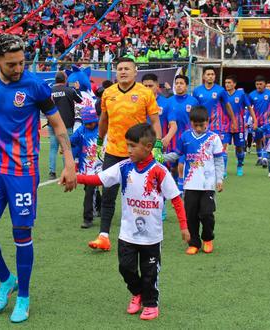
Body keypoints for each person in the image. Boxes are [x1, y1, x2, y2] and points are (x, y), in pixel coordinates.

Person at [0, 34, 77, 323]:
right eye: (12, 64)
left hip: (23, 171)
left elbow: (57, 122)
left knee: (21, 234)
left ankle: (23, 296)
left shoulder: (35, 85)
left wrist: (69, 160)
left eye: (22, 62)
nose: (18, 69)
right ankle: (6, 279)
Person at [76, 123, 190, 321]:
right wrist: (76, 177)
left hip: (152, 237)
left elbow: (176, 200)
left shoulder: (159, 171)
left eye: (132, 146)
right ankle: (137, 293)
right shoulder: (124, 167)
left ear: (147, 147)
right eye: (127, 145)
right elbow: (99, 179)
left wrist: (184, 227)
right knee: (125, 268)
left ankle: (151, 303)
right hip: (127, 234)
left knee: (150, 273)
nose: (128, 150)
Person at [89, 57, 162, 252]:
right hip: (113, 151)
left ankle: (146, 232)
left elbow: (155, 122)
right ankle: (103, 235)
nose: (123, 72)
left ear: (135, 71)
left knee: (141, 194)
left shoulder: (145, 93)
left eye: (127, 69)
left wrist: (157, 146)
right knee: (108, 194)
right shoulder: (108, 93)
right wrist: (99, 141)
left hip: (138, 153)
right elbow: (104, 120)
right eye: (119, 69)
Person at [164, 106, 224, 255]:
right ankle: (194, 243)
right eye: (195, 125)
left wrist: (219, 179)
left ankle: (208, 238)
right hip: (190, 185)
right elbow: (176, 155)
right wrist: (160, 158)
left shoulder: (213, 138)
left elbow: (218, 161)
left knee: (206, 214)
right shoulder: (185, 137)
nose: (198, 128)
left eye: (201, 125)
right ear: (190, 123)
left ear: (207, 122)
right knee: (190, 215)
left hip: (208, 185)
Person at [193, 66, 236, 175]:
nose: (210, 76)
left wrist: (233, 120)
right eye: (208, 74)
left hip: (218, 125)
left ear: (215, 76)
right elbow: (195, 108)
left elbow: (227, 105)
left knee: (220, 149)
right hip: (202, 125)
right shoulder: (197, 91)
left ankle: (221, 172)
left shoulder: (220, 90)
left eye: (212, 74)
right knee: (202, 148)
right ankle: (203, 169)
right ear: (203, 77)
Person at [70, 106, 102, 229]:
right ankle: (97, 209)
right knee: (89, 190)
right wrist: (67, 146)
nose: (90, 125)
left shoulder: (102, 129)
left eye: (92, 123)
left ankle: (88, 218)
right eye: (87, 124)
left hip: (100, 166)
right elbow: (72, 141)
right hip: (86, 167)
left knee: (90, 192)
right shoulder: (81, 130)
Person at [49, 71, 82, 180]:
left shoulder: (50, 91)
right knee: (66, 148)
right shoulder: (69, 90)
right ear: (65, 80)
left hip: (52, 123)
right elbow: (80, 99)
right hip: (66, 123)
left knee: (53, 148)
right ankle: (66, 170)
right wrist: (77, 88)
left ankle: (52, 172)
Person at [223, 75, 256, 177]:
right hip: (225, 125)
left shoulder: (241, 94)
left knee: (239, 148)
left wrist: (254, 120)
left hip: (239, 126)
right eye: (226, 83)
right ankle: (223, 169)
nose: (227, 84)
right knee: (223, 147)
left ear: (234, 84)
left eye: (229, 82)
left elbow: (250, 108)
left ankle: (240, 165)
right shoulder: (222, 94)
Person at [249, 75, 270, 168]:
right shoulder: (252, 95)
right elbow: (249, 109)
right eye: (257, 84)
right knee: (257, 140)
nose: (258, 86)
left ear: (265, 84)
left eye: (260, 84)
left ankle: (265, 158)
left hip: (267, 121)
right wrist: (250, 120)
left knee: (266, 139)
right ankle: (260, 157)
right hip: (256, 122)